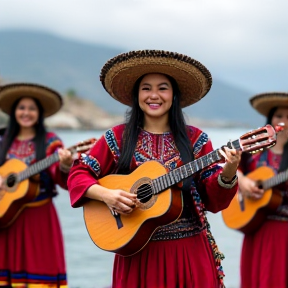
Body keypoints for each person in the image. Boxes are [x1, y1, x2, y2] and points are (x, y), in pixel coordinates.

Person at [67, 49, 241, 288]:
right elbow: (79, 174)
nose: (154, 95)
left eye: (163, 87)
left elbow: (214, 201)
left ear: (174, 95)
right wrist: (107, 195)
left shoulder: (196, 140)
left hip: (189, 253)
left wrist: (229, 171)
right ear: (137, 94)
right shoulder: (118, 137)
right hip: (137, 254)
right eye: (146, 88)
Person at [0, 83, 73, 288]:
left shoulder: (51, 142)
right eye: (21, 107)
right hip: (5, 218)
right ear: (14, 111)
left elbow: (60, 178)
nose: (26, 112)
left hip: (39, 219)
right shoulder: (2, 139)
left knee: (40, 275)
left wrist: (65, 165)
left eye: (32, 108)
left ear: (39, 113)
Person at [237, 92, 288, 288]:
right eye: (278, 116)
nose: (283, 121)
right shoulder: (253, 149)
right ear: (270, 120)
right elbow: (229, 169)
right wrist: (242, 181)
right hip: (256, 229)